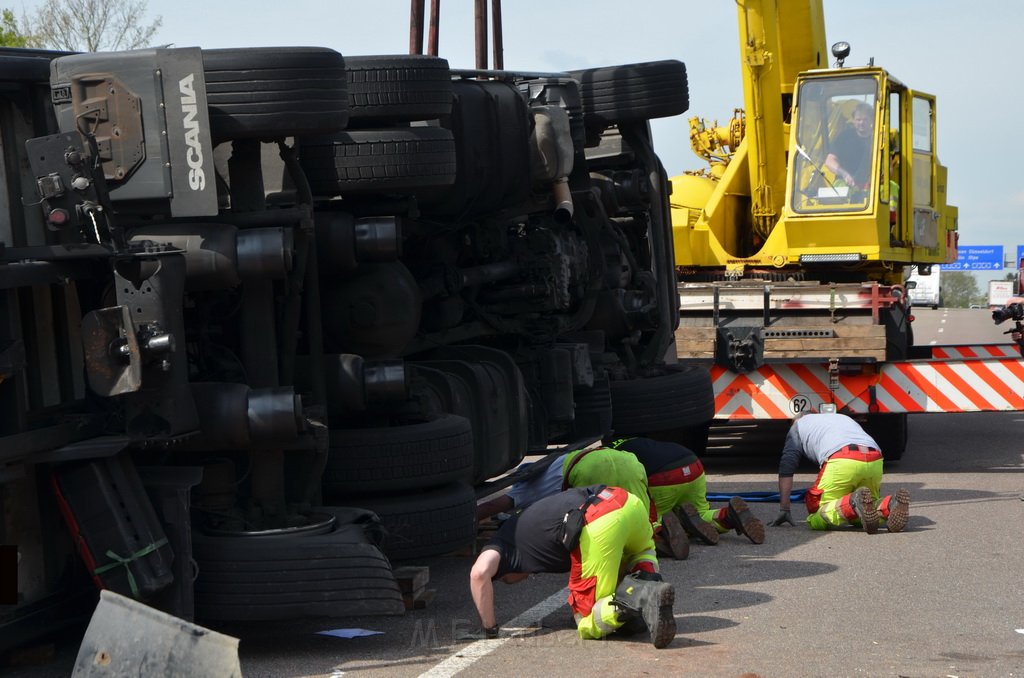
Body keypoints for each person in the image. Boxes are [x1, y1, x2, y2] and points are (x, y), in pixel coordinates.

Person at [469, 484, 677, 648]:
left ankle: (637, 598)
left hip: (597, 520)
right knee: (642, 553)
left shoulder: (501, 544)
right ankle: (650, 583)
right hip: (628, 502)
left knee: (586, 620)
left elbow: (478, 574)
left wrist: (491, 629)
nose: (511, 581)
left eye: (505, 579)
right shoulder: (526, 524)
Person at [475, 444, 690, 559]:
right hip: (626, 459)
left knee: (600, 520)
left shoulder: (527, 488)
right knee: (637, 511)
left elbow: (497, 505)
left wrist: (466, 519)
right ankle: (657, 532)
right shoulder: (551, 463)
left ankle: (635, 551)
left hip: (590, 470)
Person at [604, 435, 765, 545]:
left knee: (650, 521)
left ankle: (668, 531)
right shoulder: (636, 440)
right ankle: (727, 516)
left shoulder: (608, 458)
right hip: (692, 465)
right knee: (700, 512)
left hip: (664, 476)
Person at [769, 412, 909, 533]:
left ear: (795, 420)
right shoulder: (841, 418)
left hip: (843, 459)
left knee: (816, 514)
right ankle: (888, 505)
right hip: (875, 459)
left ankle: (853, 502)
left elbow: (787, 467)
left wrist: (785, 509)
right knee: (864, 513)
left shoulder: (797, 426)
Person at [825, 102, 874, 189]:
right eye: (858, 119)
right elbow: (829, 161)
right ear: (853, 120)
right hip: (846, 183)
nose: (861, 122)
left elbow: (889, 168)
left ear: (872, 119)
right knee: (839, 187)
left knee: (890, 188)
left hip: (873, 185)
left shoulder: (879, 138)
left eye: (865, 119)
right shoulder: (844, 137)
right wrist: (844, 174)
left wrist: (875, 180)